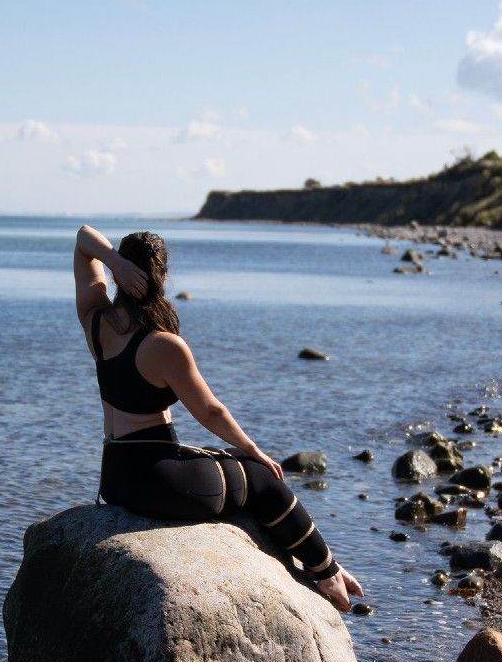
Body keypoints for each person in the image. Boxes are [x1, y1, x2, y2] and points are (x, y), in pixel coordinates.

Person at [73, 223, 364, 614]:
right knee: (260, 477)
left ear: (123, 271)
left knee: (226, 461)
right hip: (156, 480)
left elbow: (82, 240)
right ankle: (328, 574)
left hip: (116, 476)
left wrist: (111, 262)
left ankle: (324, 568)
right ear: (161, 276)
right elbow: (210, 410)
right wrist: (253, 449)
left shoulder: (95, 320)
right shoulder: (162, 345)